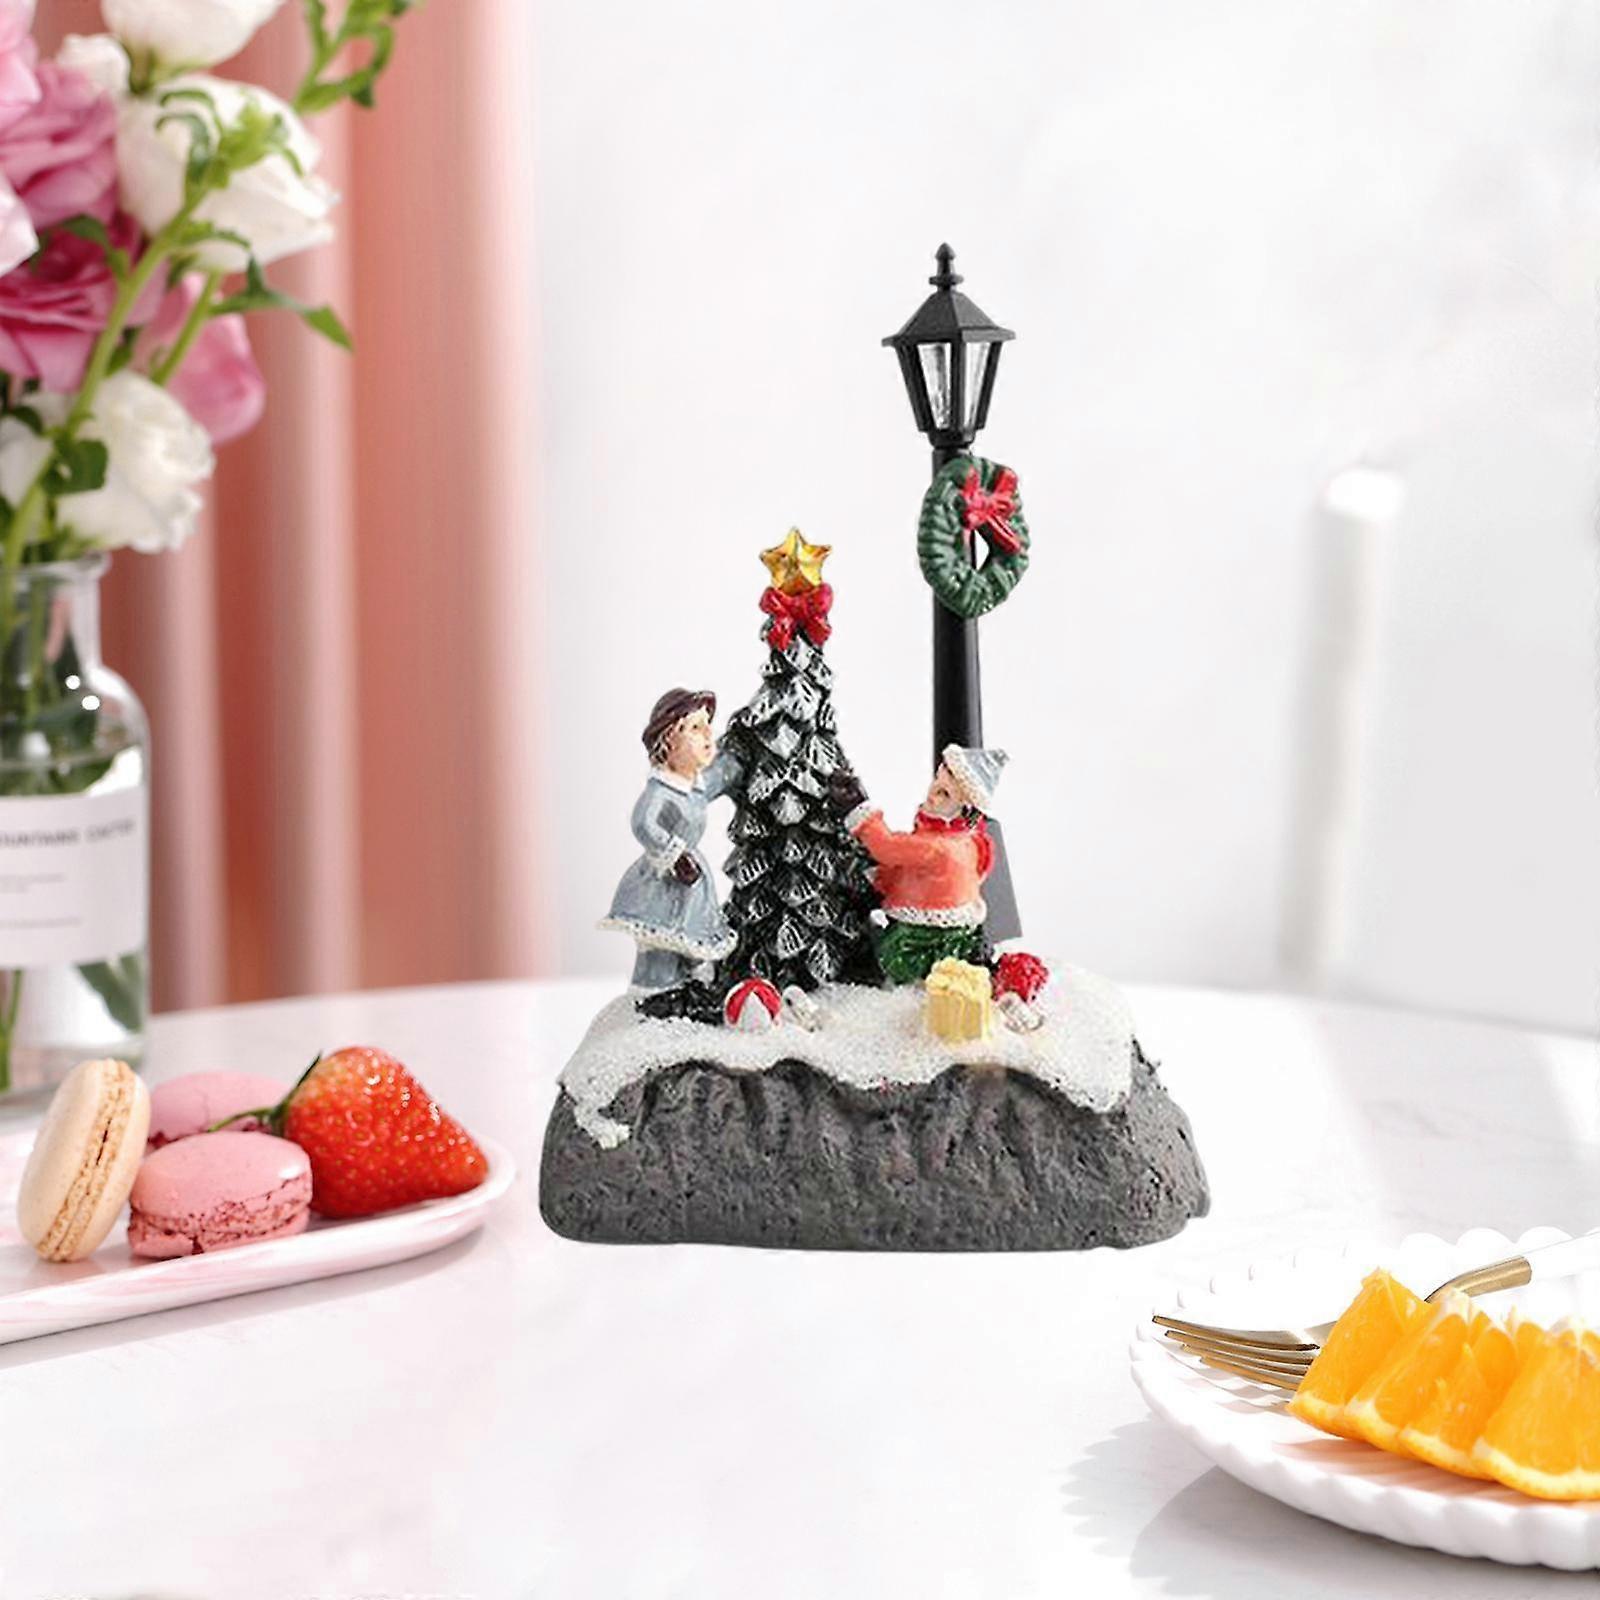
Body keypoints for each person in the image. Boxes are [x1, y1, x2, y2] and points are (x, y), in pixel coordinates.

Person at [827, 745, 1007, 985]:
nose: (932, 795)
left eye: (944, 794)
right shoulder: (971, 840)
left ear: (965, 809)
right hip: (960, 929)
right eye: (936, 782)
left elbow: (887, 847)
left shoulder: (938, 847)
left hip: (921, 935)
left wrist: (859, 809)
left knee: (887, 954)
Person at [601, 688, 742, 990]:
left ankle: (691, 986)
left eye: (708, 725)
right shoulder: (662, 791)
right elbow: (644, 823)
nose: (708, 734)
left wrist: (741, 751)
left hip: (693, 885)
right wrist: (675, 855)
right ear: (668, 741)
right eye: (695, 728)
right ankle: (653, 990)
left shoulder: (696, 786)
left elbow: (722, 776)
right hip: (663, 882)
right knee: (662, 946)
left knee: (692, 941)